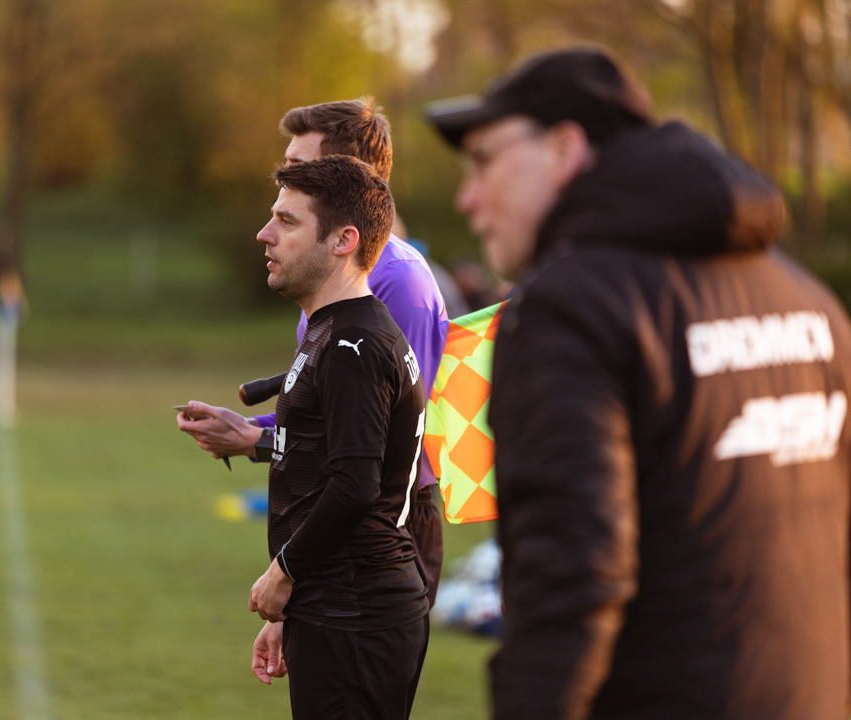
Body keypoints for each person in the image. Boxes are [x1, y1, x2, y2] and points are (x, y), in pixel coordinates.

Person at [426, 46, 851, 719]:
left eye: (483, 161)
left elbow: (572, 575)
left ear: (564, 149)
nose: (468, 199)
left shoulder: (569, 307)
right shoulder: (806, 298)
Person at [177, 98, 449, 605]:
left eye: (300, 166)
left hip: (385, 522)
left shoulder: (398, 280)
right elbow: (330, 407)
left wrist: (257, 443)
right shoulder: (328, 275)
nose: (286, 179)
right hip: (332, 507)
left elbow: (376, 442)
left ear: (350, 175)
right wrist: (250, 429)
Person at [246, 155, 429, 719]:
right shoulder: (333, 329)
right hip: (334, 604)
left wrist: (284, 573)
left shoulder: (355, 346)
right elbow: (319, 467)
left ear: (344, 241)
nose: (265, 234)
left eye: (288, 221)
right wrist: (293, 608)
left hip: (356, 610)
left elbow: (354, 486)